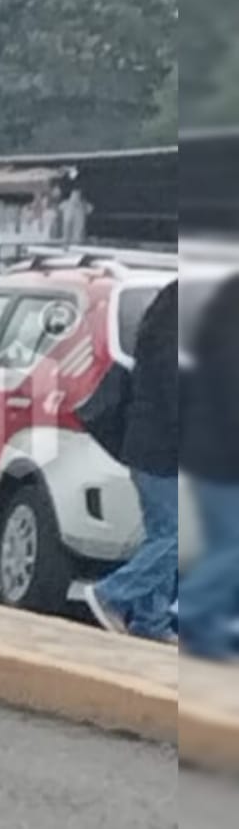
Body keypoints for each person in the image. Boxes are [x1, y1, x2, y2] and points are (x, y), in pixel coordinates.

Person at [84, 281, 180, 642]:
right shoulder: (173, 344)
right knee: (175, 536)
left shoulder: (163, 329)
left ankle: (150, 621)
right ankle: (111, 593)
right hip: (160, 448)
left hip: (154, 447)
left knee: (164, 533)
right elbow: (178, 397)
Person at [180, 273, 239, 659]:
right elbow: (231, 390)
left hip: (215, 452)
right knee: (233, 548)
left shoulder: (224, 310)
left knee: (225, 546)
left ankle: (206, 633)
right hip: (222, 456)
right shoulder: (231, 319)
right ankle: (189, 608)